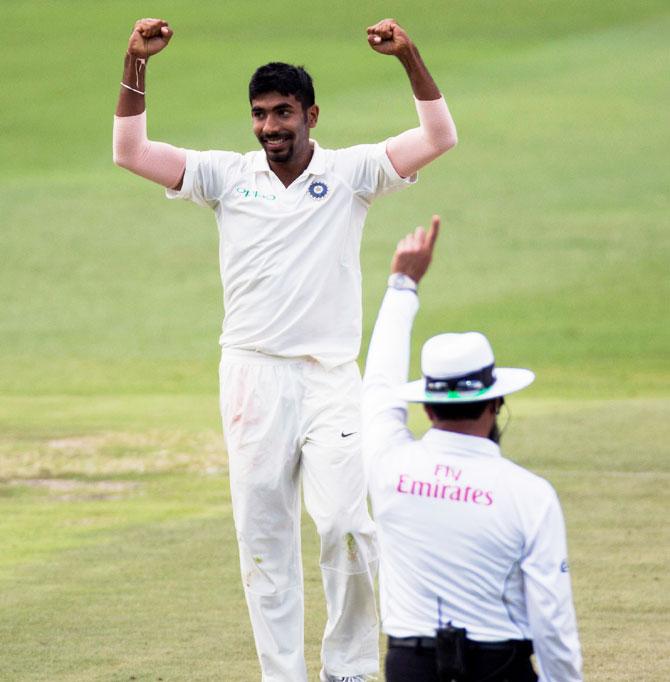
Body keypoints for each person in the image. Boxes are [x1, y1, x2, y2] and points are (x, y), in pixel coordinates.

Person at [112, 17, 457, 682]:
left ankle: (349, 671)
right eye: (260, 115)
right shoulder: (224, 177)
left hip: (332, 379)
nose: (271, 127)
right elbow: (130, 150)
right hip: (252, 376)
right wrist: (136, 61)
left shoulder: (350, 172)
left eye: (283, 113)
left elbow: (439, 137)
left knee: (348, 524)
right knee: (264, 542)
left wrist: (410, 56)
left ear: (311, 114)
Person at [362, 217, 583, 681]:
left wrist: (403, 285)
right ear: (497, 401)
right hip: (497, 666)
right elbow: (552, 619)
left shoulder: (387, 464)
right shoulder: (530, 494)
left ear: (426, 408)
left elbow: (379, 386)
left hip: (408, 667)